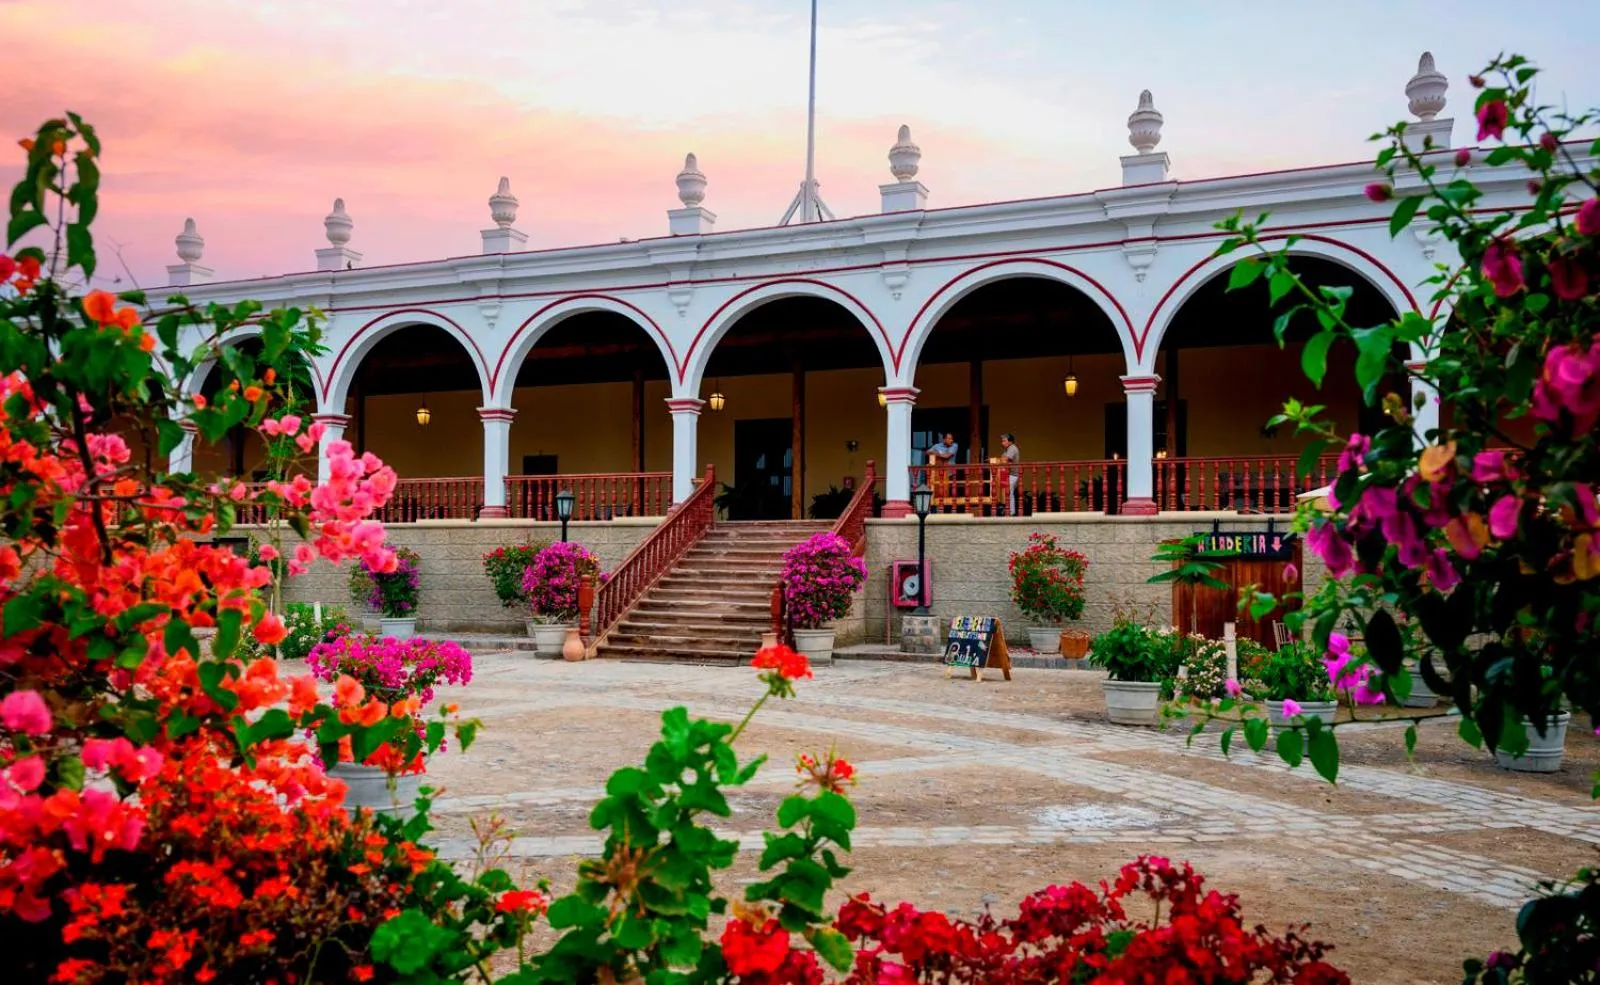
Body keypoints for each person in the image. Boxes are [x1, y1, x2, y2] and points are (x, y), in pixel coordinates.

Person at [999, 432, 1020, 515]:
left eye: (1004, 441)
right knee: (1006, 493)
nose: (1002, 443)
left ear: (1010, 442)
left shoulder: (1012, 448)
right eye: (1002, 441)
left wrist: (1000, 460)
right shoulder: (1007, 449)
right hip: (1007, 474)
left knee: (1009, 492)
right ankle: (1008, 510)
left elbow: (1006, 459)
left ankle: (1011, 511)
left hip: (1012, 475)